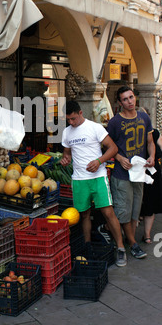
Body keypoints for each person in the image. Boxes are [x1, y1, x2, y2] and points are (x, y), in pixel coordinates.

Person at [61, 100, 127, 267]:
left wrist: (99, 161)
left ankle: (120, 248)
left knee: (108, 212)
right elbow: (67, 152)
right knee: (84, 214)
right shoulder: (67, 132)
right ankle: (88, 246)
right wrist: (66, 159)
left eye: (73, 118)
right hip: (79, 179)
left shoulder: (95, 127)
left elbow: (113, 148)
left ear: (81, 113)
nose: (71, 122)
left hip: (98, 177)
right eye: (68, 119)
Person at [104, 86, 155, 259]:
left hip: (139, 173)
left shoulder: (144, 117)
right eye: (125, 99)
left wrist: (152, 156)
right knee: (123, 212)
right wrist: (118, 157)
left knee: (134, 212)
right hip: (122, 174)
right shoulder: (114, 122)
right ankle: (132, 244)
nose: (129, 101)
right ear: (119, 103)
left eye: (131, 97)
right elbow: (106, 144)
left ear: (135, 97)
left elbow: (150, 142)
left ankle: (126, 239)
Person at [139, 108, 162, 244]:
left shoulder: (154, 132)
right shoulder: (154, 132)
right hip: (141, 172)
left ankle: (146, 235)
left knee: (149, 202)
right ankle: (146, 236)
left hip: (151, 172)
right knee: (144, 203)